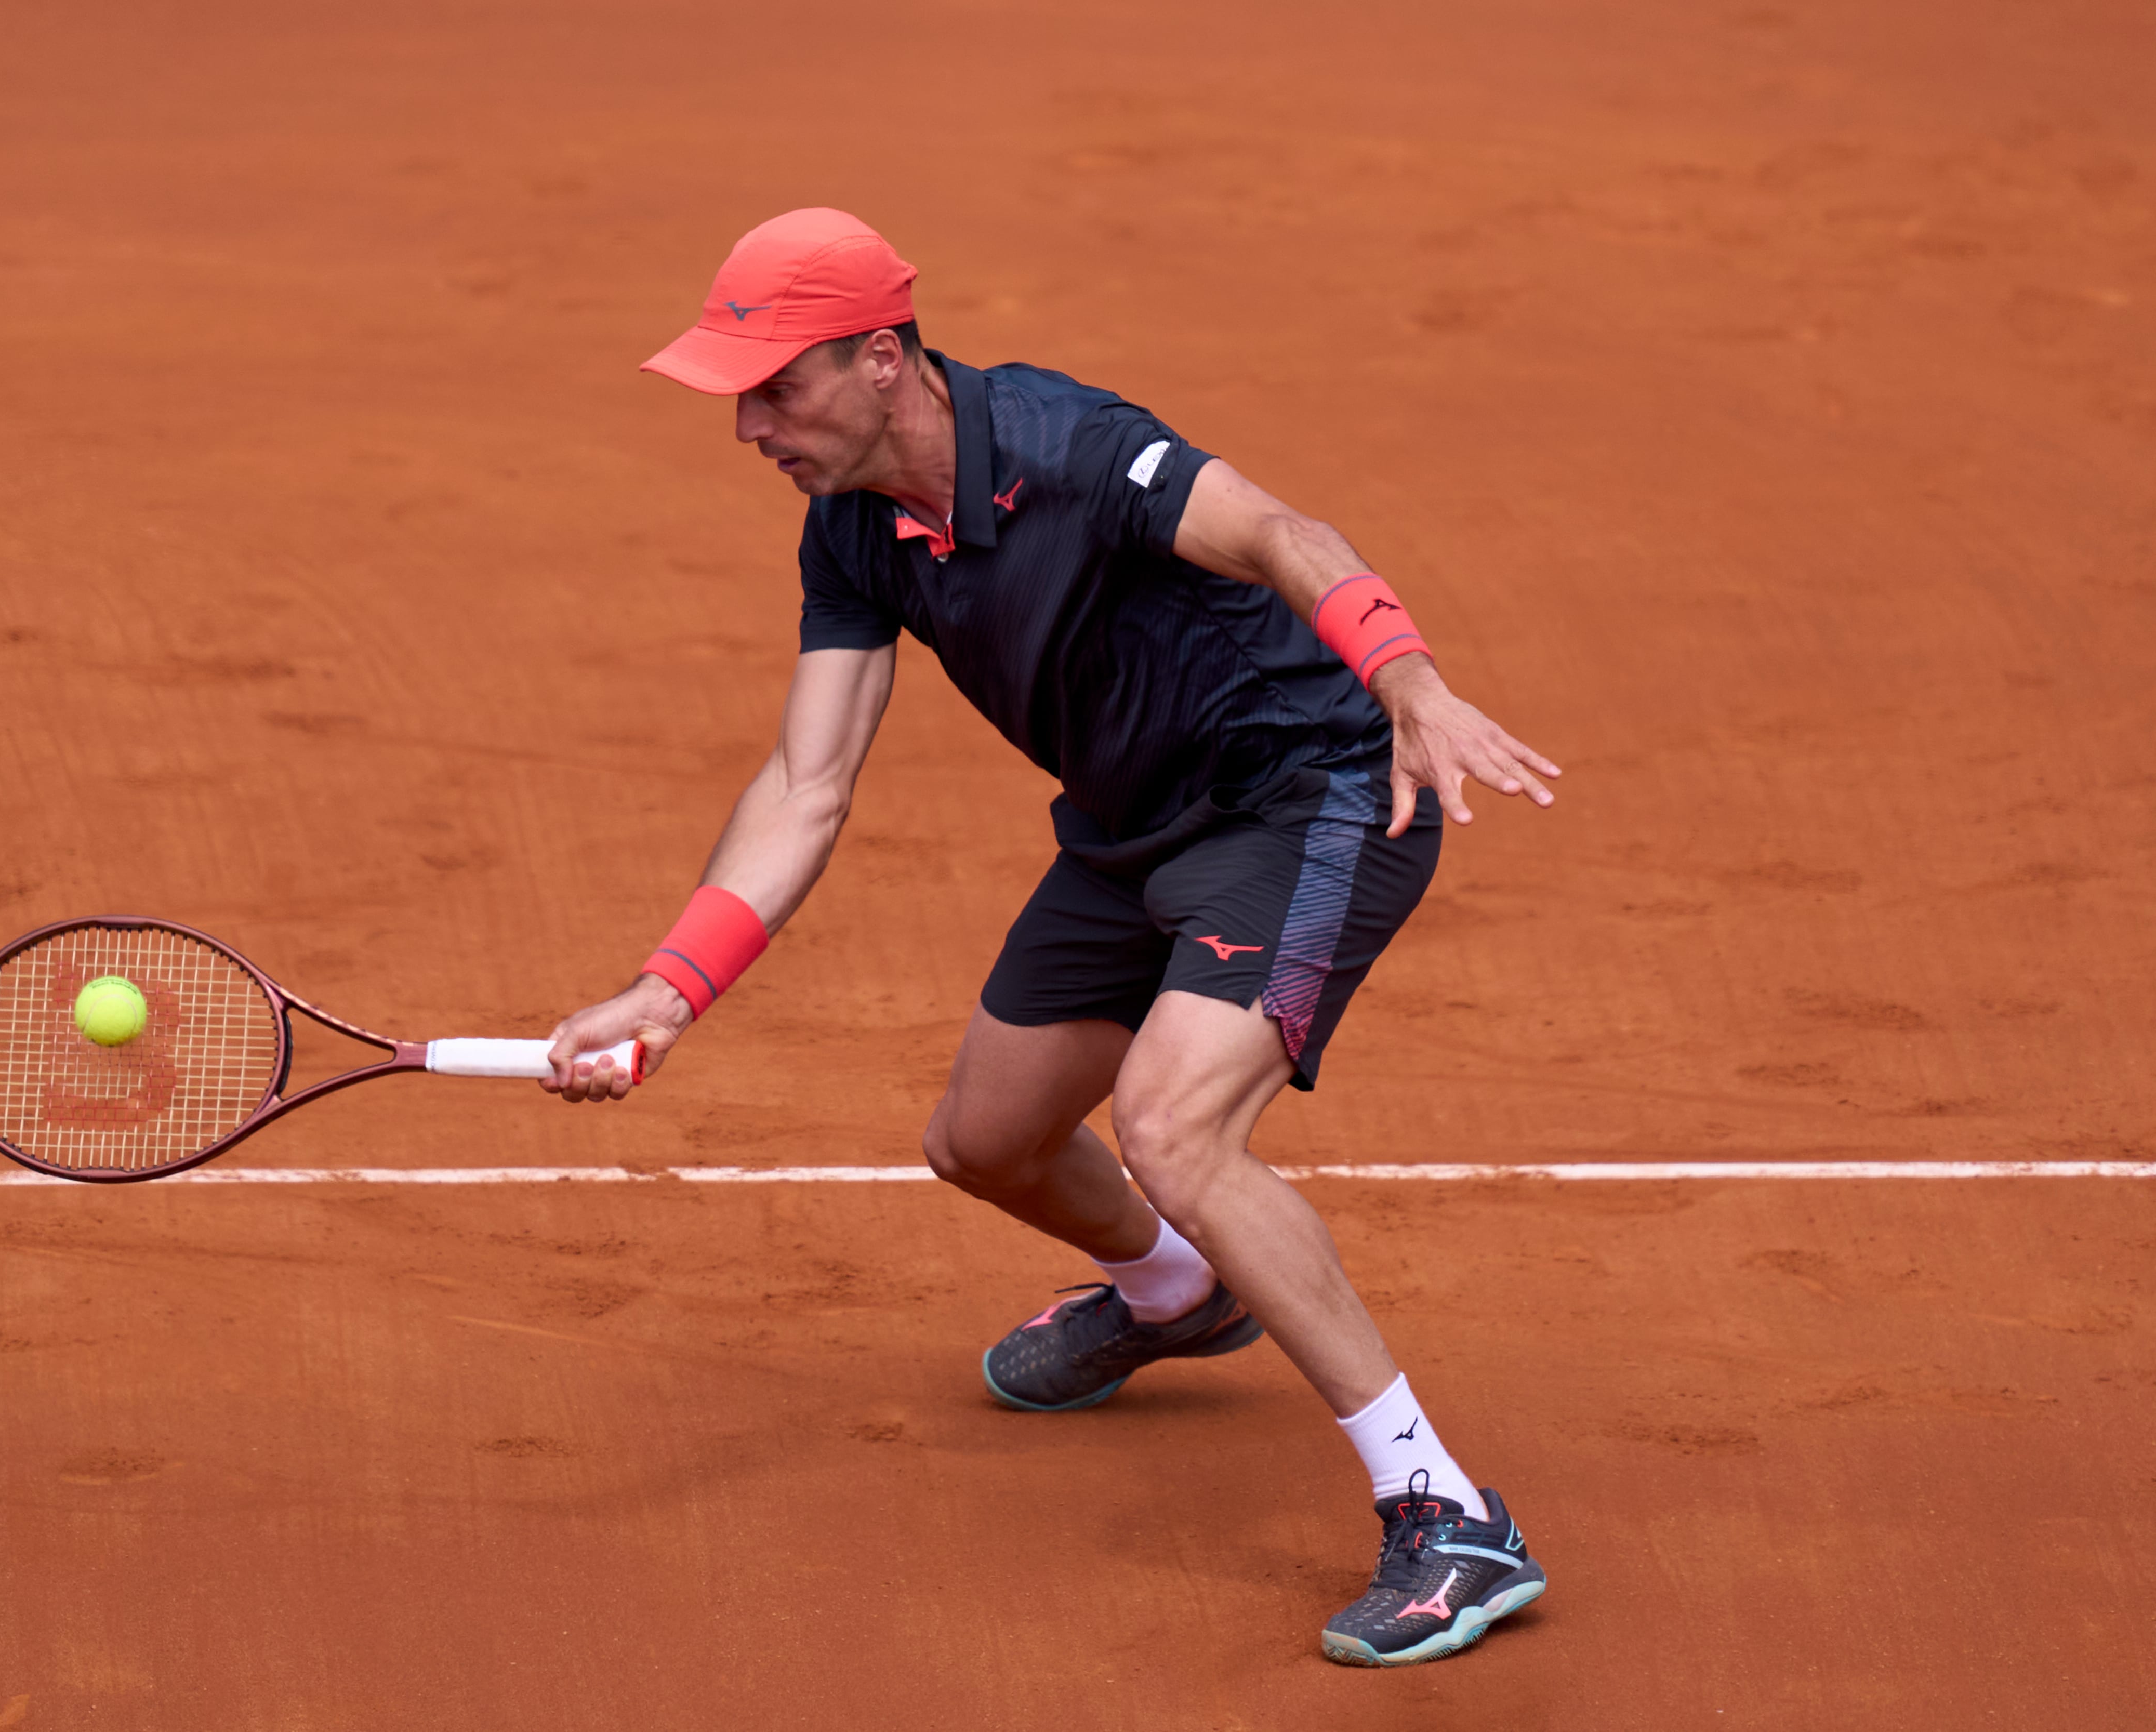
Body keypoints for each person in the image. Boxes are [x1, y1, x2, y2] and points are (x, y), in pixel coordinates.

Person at [540, 208, 1559, 1668]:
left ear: (882, 359)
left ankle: (1447, 1511)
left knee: (1174, 1127)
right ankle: (1177, 1290)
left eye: (779, 387)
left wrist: (1407, 677)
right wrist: (669, 988)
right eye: (740, 393)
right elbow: (807, 784)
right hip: (1132, 830)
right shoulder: (853, 531)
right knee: (987, 1140)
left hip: (1311, 794)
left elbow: (1281, 532)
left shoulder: (1073, 448)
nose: (750, 424)